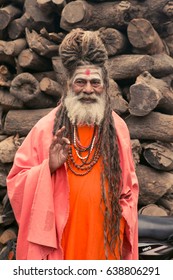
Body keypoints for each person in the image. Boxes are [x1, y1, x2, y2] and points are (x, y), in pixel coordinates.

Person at [6, 28, 139, 260]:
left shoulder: (118, 129)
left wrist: (120, 216)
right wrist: (47, 167)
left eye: (95, 82)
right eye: (81, 81)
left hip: (105, 237)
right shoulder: (46, 128)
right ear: (68, 85)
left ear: (105, 86)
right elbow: (16, 182)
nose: (88, 89)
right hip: (61, 239)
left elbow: (130, 188)